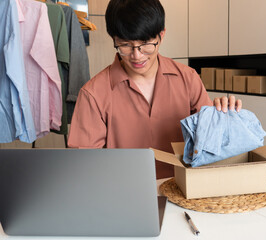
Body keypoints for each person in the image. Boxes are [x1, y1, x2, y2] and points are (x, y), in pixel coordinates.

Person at [67, 0, 242, 179]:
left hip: (184, 190)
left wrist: (222, 118)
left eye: (145, 43)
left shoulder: (188, 78)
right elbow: (84, 167)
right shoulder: (93, 93)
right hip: (124, 194)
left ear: (161, 35)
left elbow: (210, 146)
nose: (137, 55)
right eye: (125, 45)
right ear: (114, 40)